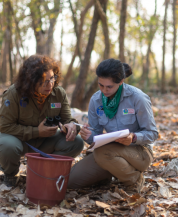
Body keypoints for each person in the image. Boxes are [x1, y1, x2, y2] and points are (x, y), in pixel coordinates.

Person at [68, 58, 158, 193]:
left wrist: (133, 137)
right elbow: (95, 134)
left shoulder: (137, 98)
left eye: (109, 86)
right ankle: (109, 174)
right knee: (70, 181)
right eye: (101, 85)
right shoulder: (96, 100)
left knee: (103, 153)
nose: (104, 90)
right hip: (108, 151)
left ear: (121, 81)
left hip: (140, 152)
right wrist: (87, 135)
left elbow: (153, 134)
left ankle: (134, 179)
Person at [0, 55, 84, 187]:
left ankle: (44, 171)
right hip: (19, 141)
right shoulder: (14, 93)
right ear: (30, 81)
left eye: (52, 78)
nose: (49, 84)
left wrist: (71, 126)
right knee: (7, 145)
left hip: (46, 141)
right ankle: (11, 174)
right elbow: (4, 127)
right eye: (43, 81)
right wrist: (36, 131)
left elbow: (68, 118)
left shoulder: (58, 93)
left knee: (77, 142)